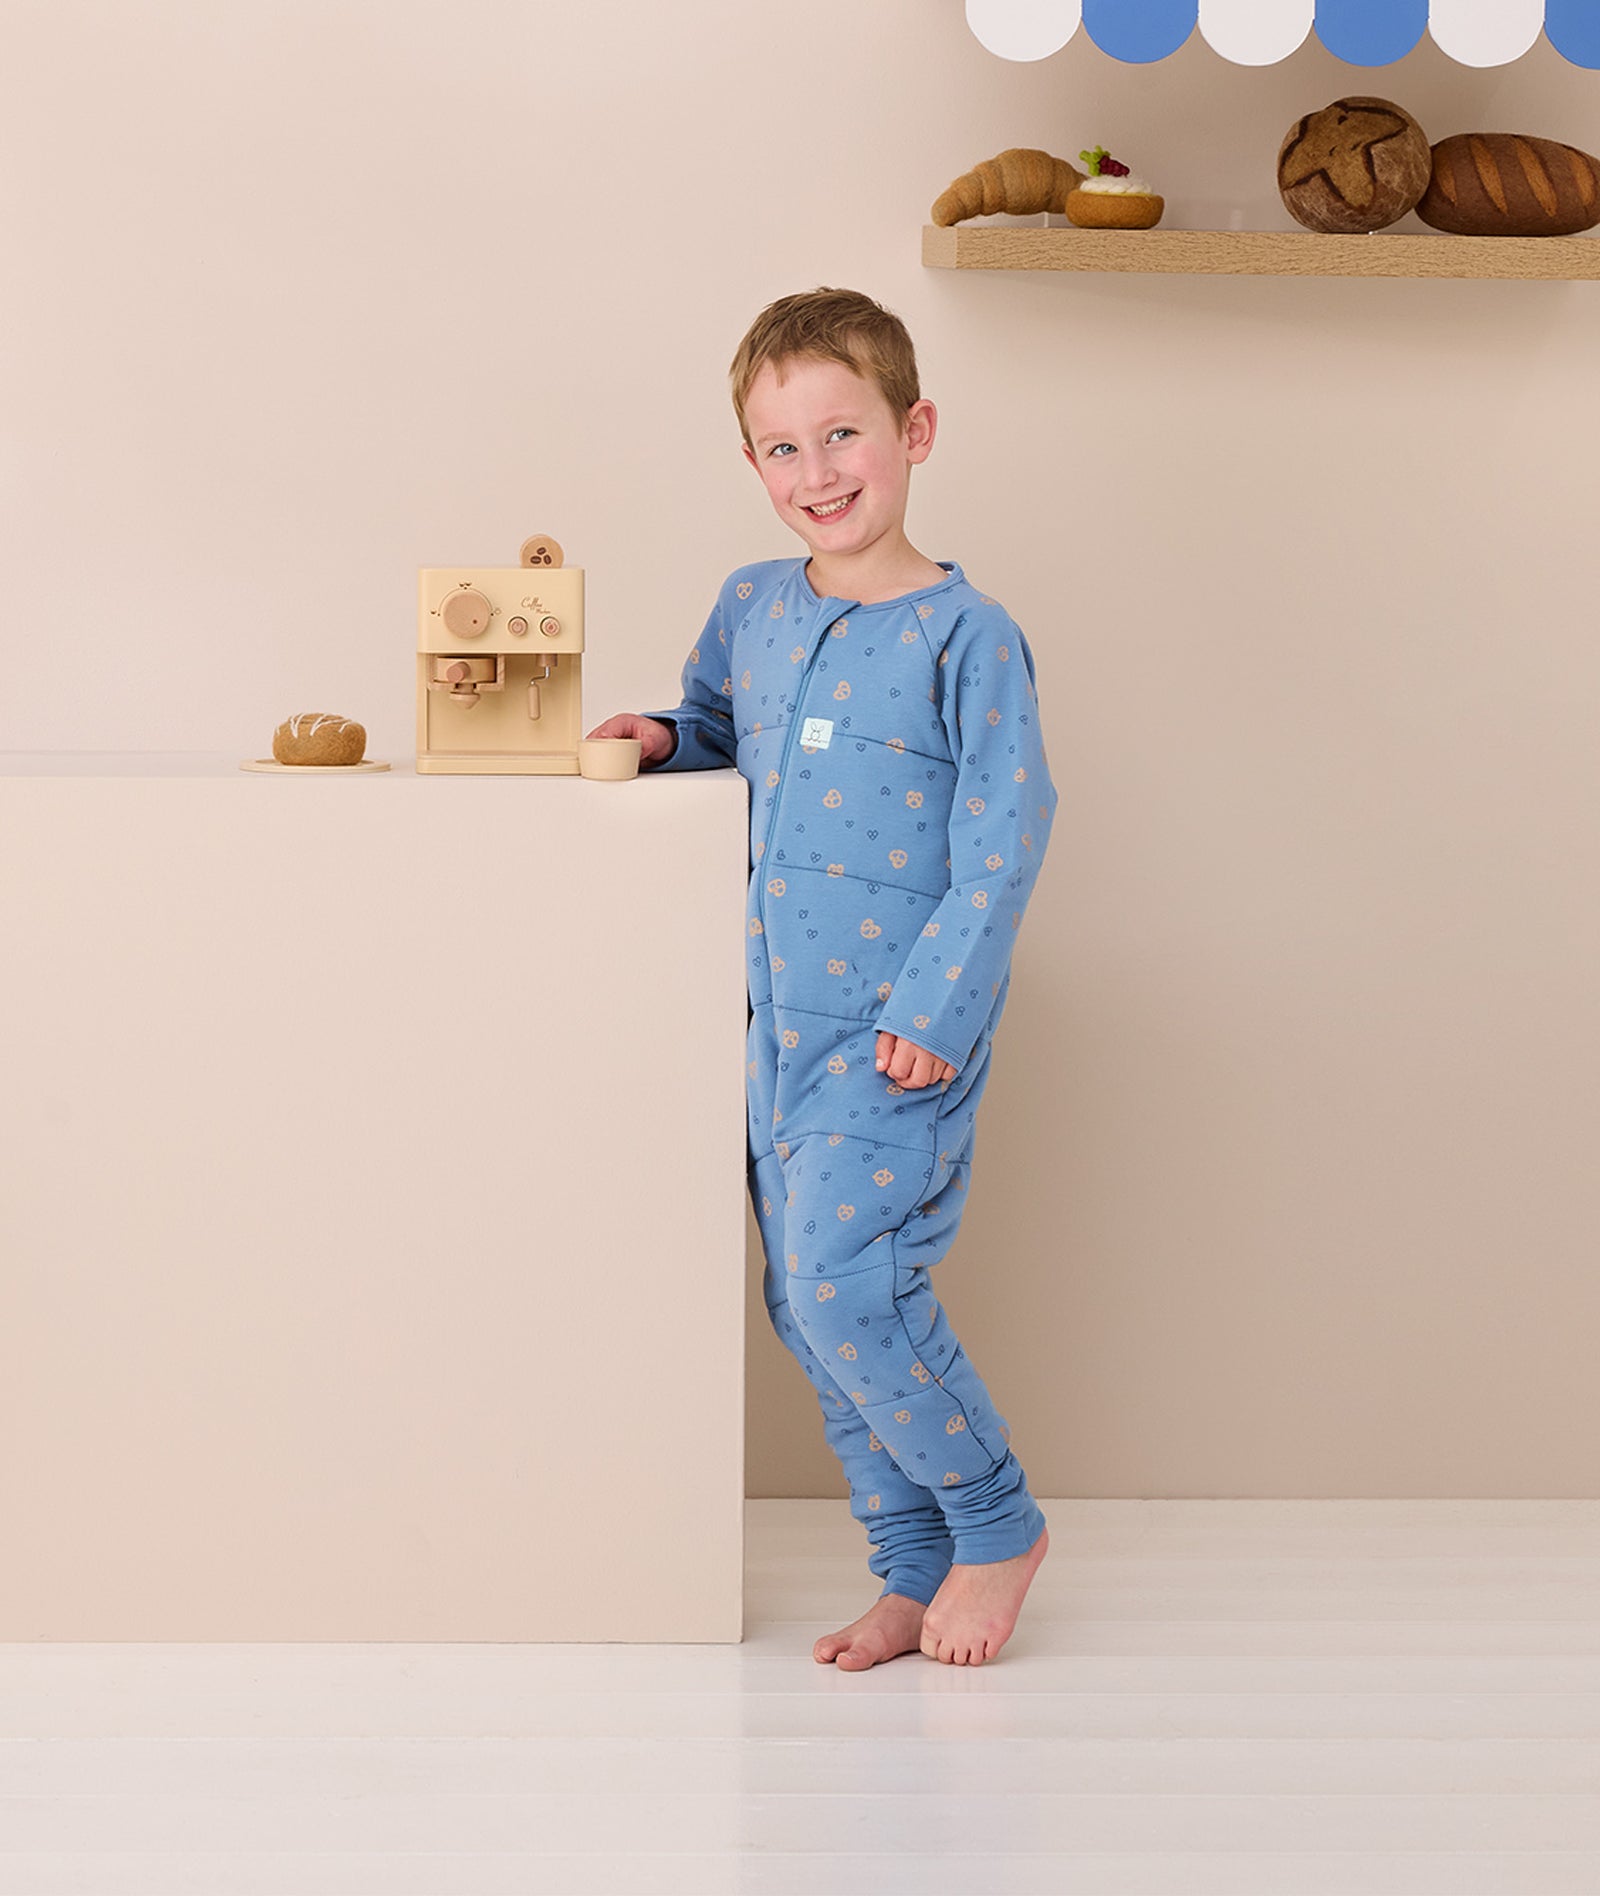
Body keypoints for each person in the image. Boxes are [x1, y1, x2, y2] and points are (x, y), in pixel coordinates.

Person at [588, 287, 1058, 1669]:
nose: (817, 473)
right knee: (806, 1306)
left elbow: (1007, 836)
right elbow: (718, 723)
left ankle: (997, 1527)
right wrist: (662, 736)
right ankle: (910, 1570)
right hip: (767, 1023)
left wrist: (936, 1010)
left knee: (858, 1289)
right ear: (752, 462)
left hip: (895, 1031)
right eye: (782, 448)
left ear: (915, 431)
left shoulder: (968, 635)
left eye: (843, 434)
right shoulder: (753, 605)